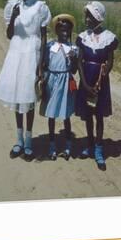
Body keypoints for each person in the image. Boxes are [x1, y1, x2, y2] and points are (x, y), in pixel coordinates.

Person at [0, 0, 51, 161]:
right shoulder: (12, 5)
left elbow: (43, 37)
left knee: (29, 99)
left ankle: (29, 141)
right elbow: (9, 34)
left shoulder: (40, 7)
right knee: (18, 99)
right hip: (16, 54)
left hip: (31, 55)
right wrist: (13, 18)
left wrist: (41, 63)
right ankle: (18, 140)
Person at [75, 1, 118, 170]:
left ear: (98, 17)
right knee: (88, 114)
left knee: (98, 115)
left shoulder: (109, 38)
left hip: (100, 82)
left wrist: (102, 77)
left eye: (90, 16)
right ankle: (90, 144)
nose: (86, 19)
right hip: (86, 77)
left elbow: (110, 61)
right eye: (86, 16)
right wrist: (85, 84)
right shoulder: (83, 37)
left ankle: (99, 149)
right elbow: (79, 61)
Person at [39, 14, 78, 161]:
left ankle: (68, 146)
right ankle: (52, 145)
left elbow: (74, 70)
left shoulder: (73, 48)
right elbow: (44, 64)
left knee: (66, 114)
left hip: (66, 81)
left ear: (70, 31)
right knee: (52, 114)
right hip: (52, 81)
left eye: (67, 30)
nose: (64, 32)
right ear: (56, 30)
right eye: (61, 29)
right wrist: (42, 78)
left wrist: (73, 59)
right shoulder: (50, 46)